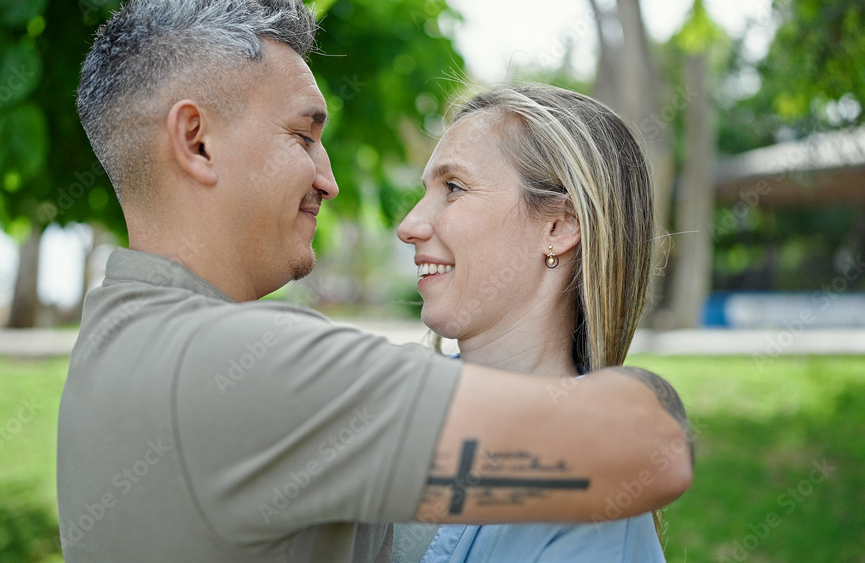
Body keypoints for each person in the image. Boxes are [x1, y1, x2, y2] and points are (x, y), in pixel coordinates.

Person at [57, 1, 693, 561]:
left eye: (455, 187)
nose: (328, 180)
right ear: (196, 142)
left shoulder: (115, 345)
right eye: (303, 136)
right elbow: (651, 447)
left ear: (561, 227)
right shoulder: (248, 369)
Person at [393, 84, 673, 562]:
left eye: (453, 188)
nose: (410, 224)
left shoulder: (590, 492)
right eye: (426, 192)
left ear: (558, 227)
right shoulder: (395, 401)